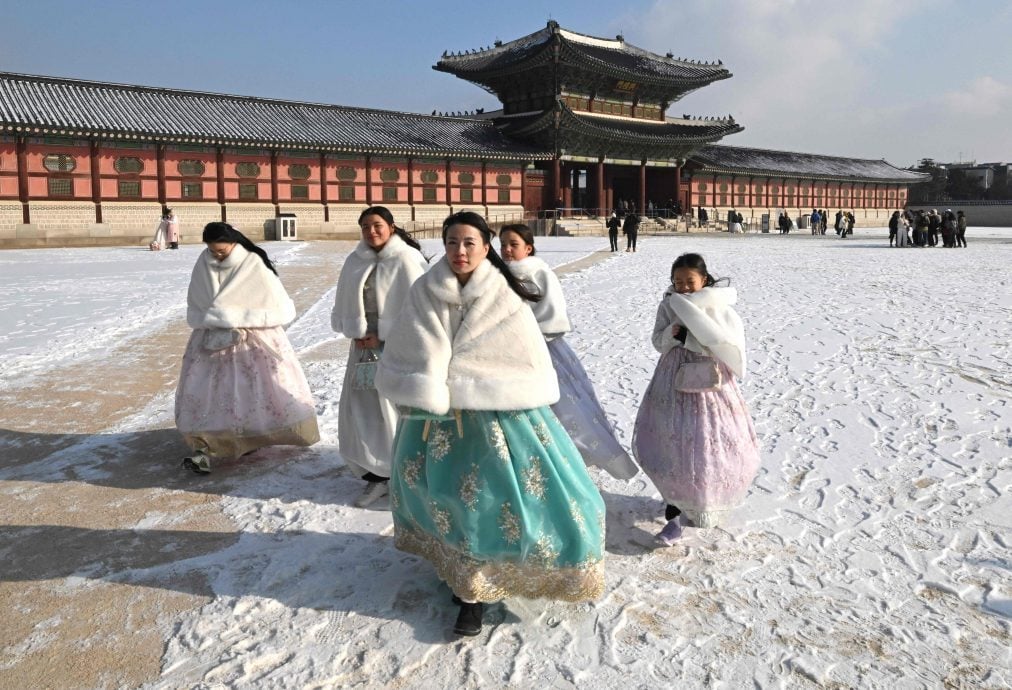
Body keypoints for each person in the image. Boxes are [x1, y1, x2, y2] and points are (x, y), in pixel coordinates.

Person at [375, 211, 605, 637]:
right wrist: (429, 381)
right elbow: (411, 342)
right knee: (441, 495)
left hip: (498, 417)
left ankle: (477, 591)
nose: (459, 252)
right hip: (437, 417)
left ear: (486, 247)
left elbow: (522, 354)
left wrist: (476, 379)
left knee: (492, 499)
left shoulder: (504, 295)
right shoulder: (424, 289)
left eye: (469, 243)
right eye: (451, 243)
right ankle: (464, 580)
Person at [632, 253, 760, 544]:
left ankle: (705, 500)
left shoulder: (719, 304)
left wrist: (694, 338)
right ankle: (673, 512)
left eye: (690, 281)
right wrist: (670, 333)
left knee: (707, 441)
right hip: (673, 379)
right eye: (678, 283)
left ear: (704, 279)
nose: (684, 288)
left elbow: (726, 343)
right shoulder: (668, 304)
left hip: (710, 383)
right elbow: (656, 341)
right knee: (674, 443)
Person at [175, 222, 319, 474]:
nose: (217, 255)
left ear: (233, 242)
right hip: (211, 342)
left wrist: (236, 317)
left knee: (254, 389)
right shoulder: (204, 262)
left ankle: (254, 436)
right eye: (213, 251)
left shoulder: (252, 263)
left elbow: (279, 307)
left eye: (222, 250)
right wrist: (213, 319)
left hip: (251, 341)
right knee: (211, 394)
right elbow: (197, 300)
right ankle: (206, 445)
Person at [499, 223, 637, 480]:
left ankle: (565, 462)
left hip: (542, 349)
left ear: (528, 247)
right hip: (506, 352)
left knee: (562, 409)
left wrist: (526, 333)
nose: (506, 249)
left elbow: (553, 314)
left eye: (513, 244)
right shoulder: (497, 275)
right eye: (503, 244)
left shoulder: (539, 272)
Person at [331, 206, 428, 507]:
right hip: (362, 349)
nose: (371, 232)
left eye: (377, 225)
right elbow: (346, 299)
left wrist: (385, 335)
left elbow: (419, 310)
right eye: (365, 227)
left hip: (398, 349)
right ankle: (376, 474)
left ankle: (404, 472)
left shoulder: (406, 259)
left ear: (391, 226)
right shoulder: (354, 260)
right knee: (363, 410)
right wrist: (356, 330)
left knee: (395, 411)